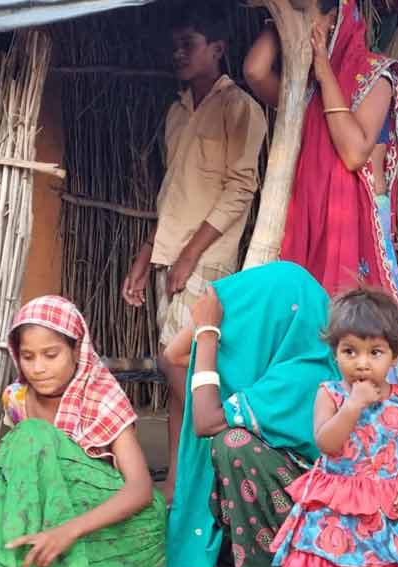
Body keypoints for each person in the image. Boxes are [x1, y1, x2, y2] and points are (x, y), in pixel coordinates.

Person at [121, 4, 267, 503]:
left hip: (206, 260)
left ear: (218, 49)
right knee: (178, 372)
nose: (179, 53)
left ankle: (202, 473)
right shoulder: (177, 111)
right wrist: (148, 258)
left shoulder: (240, 109)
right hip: (173, 258)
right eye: (175, 46)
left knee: (181, 367)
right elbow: (171, 196)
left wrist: (188, 256)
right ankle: (182, 481)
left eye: (190, 44)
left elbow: (240, 190)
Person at [0, 296, 166, 567]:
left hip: (105, 520)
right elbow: (15, 479)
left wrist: (69, 530)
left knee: (33, 434)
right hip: (48, 514)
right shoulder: (16, 398)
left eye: (51, 355)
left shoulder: (103, 398)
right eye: (28, 357)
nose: (38, 368)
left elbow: (140, 489)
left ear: (76, 350)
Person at [243, 0, 398, 395]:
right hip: (309, 220)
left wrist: (323, 69)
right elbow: (254, 71)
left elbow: (354, 153)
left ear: (337, 17)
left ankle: (371, 415)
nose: (304, 25)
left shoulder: (378, 75)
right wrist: (284, 21)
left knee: (355, 322)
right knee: (306, 317)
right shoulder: (302, 89)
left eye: (311, 15)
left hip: (356, 224)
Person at [163, 261, 339, 567]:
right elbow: (173, 355)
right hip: (294, 498)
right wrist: (212, 320)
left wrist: (209, 333)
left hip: (318, 516)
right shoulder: (286, 357)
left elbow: (205, 420)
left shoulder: (302, 374)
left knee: (233, 442)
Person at [269, 288, 398, 567]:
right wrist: (352, 406)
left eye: (375, 352)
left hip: (388, 511)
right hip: (338, 511)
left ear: (394, 356)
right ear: (335, 353)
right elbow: (326, 443)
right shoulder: (330, 394)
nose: (362, 364)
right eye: (350, 351)